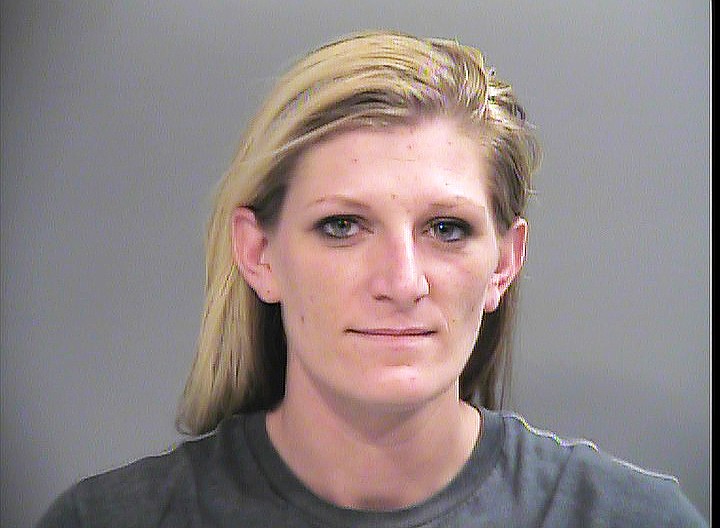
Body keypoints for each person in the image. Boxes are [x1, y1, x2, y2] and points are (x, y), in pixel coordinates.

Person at [38, 30, 706, 527]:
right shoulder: (107, 520)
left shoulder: (632, 519)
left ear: (504, 263)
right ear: (258, 254)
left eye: (446, 228)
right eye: (342, 226)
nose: (402, 282)